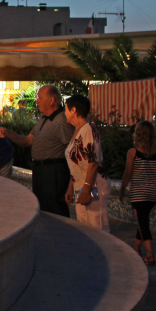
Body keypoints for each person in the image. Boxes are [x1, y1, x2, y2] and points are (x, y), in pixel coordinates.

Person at [0, 85, 75, 217]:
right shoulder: (43, 119)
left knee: (55, 209)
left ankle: (60, 236)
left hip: (54, 171)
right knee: (43, 208)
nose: (37, 101)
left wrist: (72, 181)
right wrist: (9, 134)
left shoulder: (62, 120)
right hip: (40, 171)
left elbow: (73, 149)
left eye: (39, 98)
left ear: (52, 100)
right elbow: (27, 141)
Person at [63, 95, 111, 232]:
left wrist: (86, 190)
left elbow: (93, 162)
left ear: (73, 110)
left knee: (98, 228)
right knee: (85, 229)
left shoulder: (88, 129)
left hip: (93, 187)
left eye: (66, 109)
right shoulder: (77, 131)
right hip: (82, 187)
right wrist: (70, 187)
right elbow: (77, 164)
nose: (64, 113)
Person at [119, 120, 156, 265]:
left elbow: (128, 173)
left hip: (139, 193)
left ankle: (150, 255)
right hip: (152, 192)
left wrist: (122, 189)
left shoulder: (133, 153)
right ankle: (137, 247)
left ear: (138, 134)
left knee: (143, 222)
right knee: (143, 219)